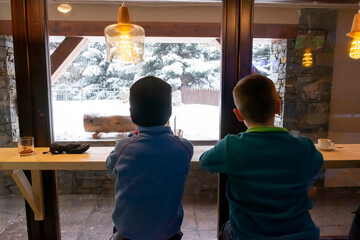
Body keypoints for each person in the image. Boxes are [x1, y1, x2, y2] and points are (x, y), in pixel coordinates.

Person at [199, 74, 324, 240]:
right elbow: (316, 165)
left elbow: (205, 161)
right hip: (302, 235)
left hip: (248, 236)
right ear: (278, 107)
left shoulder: (232, 146)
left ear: (238, 114)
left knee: (226, 229)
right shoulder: (305, 147)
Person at [106, 76, 193, 240]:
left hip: (128, 233)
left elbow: (110, 165)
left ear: (132, 113)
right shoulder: (184, 147)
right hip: (168, 233)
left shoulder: (125, 147)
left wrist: (133, 136)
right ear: (169, 112)